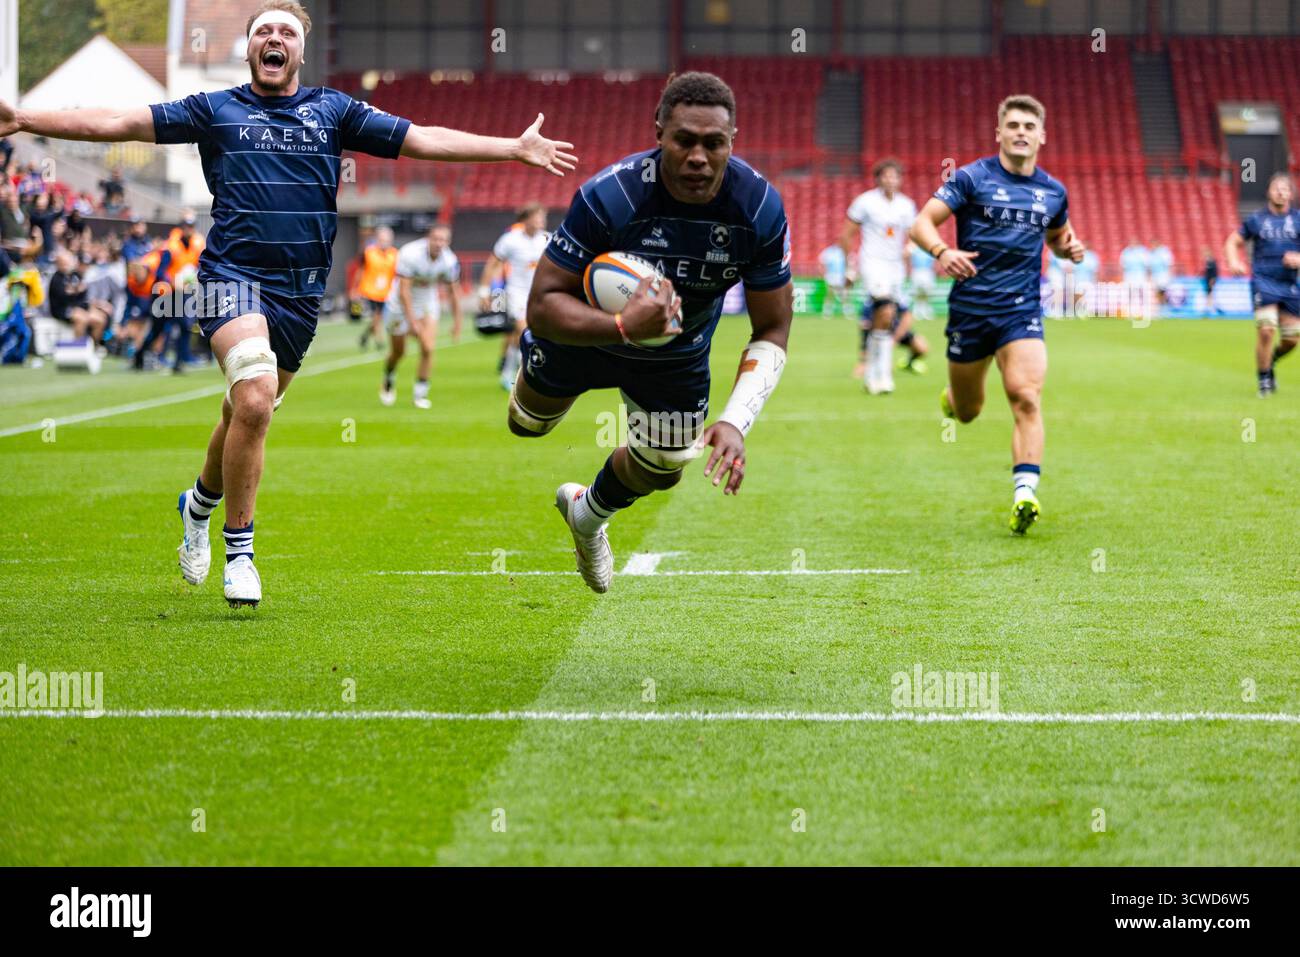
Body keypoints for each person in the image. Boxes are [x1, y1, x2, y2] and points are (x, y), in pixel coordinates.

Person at [0, 0, 576, 608]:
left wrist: (511, 147)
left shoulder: (334, 110)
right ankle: (240, 552)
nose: (273, 39)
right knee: (253, 394)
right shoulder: (213, 109)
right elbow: (119, 121)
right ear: (248, 49)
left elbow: (422, 138)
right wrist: (23, 117)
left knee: (244, 412)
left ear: (301, 49)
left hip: (301, 293)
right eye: (262, 32)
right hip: (229, 275)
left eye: (286, 32)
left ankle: (196, 504)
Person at [509, 71, 792, 593]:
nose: (698, 157)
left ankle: (586, 513)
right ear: (658, 132)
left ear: (734, 141)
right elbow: (542, 304)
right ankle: (539, 376)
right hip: (583, 334)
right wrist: (621, 324)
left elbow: (773, 327)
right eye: (684, 140)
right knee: (527, 425)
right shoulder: (610, 196)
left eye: (714, 143)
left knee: (665, 468)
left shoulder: (758, 209)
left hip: (676, 354)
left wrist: (734, 421)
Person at [909, 94, 1084, 536]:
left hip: (1021, 310)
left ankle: (1025, 492)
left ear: (1042, 136)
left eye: (1030, 126)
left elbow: (1059, 238)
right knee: (968, 411)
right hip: (970, 311)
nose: (1021, 132)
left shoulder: (1053, 191)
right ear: (999, 133)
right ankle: (953, 398)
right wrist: (942, 250)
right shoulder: (971, 178)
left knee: (1025, 395)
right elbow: (920, 223)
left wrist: (1070, 249)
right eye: (1014, 125)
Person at [840, 158, 916, 394]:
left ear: (900, 179)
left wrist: (910, 249)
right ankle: (880, 373)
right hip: (872, 263)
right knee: (885, 310)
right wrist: (849, 267)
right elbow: (846, 235)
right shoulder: (865, 202)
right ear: (878, 178)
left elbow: (914, 233)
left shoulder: (906, 205)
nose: (891, 180)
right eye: (886, 175)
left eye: (895, 176)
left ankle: (875, 373)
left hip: (895, 268)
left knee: (885, 318)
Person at [1225, 172, 1300, 397]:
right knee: (1267, 330)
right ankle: (1264, 380)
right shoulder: (1257, 220)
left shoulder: (1298, 219)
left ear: (1291, 194)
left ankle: (1271, 361)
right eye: (1276, 188)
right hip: (1263, 281)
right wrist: (1233, 260)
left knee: (1292, 340)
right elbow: (1232, 241)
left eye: (1285, 189)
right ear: (1269, 192)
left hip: (1290, 285)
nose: (1280, 192)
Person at [380, 222, 462, 409]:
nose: (439, 243)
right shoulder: (410, 254)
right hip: (399, 304)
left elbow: (453, 292)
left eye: (443, 240)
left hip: (426, 301)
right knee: (399, 352)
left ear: (448, 242)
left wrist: (458, 321)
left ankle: (420, 394)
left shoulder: (449, 261)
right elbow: (404, 291)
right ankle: (389, 376)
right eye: (435, 239)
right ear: (428, 239)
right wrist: (412, 321)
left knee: (427, 346)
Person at [480, 203, 549, 390]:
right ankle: (526, 373)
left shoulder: (546, 239)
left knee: (521, 336)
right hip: (516, 293)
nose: (541, 221)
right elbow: (493, 263)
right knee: (524, 331)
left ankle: (507, 372)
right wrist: (484, 291)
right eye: (537, 217)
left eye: (542, 217)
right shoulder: (510, 240)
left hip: (538, 293)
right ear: (526, 219)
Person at [47, 251, 110, 340]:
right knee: (82, 319)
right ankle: (78, 346)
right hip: (62, 310)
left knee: (100, 319)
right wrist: (76, 290)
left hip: (78, 308)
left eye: (67, 262)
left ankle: (95, 347)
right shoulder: (56, 278)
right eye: (64, 262)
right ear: (58, 263)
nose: (66, 265)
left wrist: (88, 305)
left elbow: (82, 294)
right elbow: (63, 297)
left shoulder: (75, 275)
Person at [355, 225, 397, 350]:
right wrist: (355, 289)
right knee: (376, 316)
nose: (385, 243)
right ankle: (380, 341)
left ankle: (365, 336)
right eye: (383, 240)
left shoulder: (394, 254)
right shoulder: (369, 252)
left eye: (387, 240)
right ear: (377, 239)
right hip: (369, 290)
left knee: (378, 317)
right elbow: (361, 270)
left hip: (386, 292)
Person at [818, 242, 847, 317]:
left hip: (841, 276)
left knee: (843, 295)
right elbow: (822, 263)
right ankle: (827, 312)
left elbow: (848, 262)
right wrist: (823, 273)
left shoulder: (843, 251)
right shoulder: (828, 252)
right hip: (831, 276)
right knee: (830, 294)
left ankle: (846, 311)